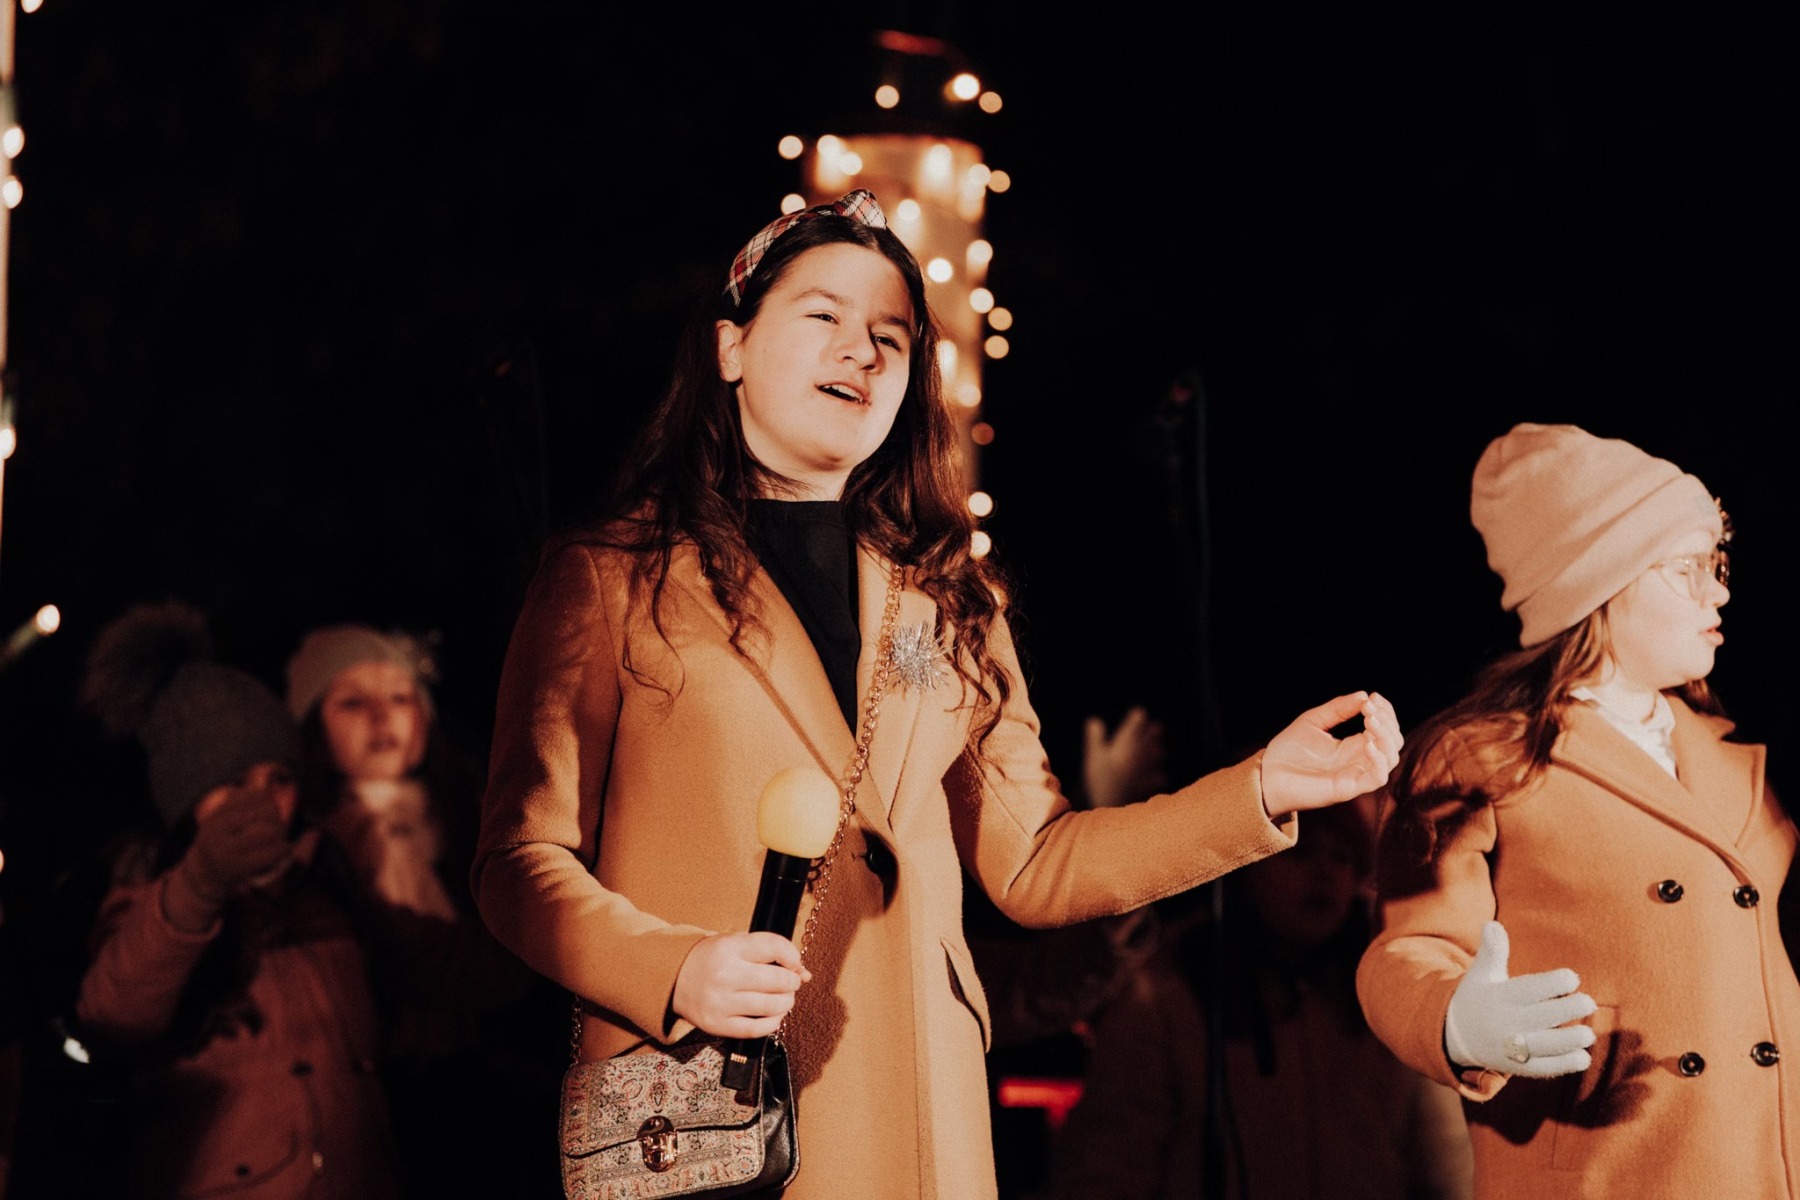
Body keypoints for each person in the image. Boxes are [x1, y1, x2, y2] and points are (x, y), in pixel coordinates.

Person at [471, 188, 1404, 1199]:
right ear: (730, 347)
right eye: (823, 315)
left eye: (891, 336)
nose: (862, 351)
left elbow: (1036, 862)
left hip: (924, 1116)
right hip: (718, 1115)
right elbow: (519, 860)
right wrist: (671, 969)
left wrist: (1261, 789)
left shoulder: (951, 597)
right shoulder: (611, 579)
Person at [1356, 422, 1800, 1198]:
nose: (1719, 591)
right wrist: (1457, 1020)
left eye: (1718, 565)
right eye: (1689, 569)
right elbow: (1409, 947)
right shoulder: (1482, 759)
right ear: (1601, 582)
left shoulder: (1738, 765)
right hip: (1607, 1172)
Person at [73, 601, 401, 1199]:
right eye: (234, 784)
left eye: (280, 779)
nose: (263, 801)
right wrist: (200, 882)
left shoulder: (329, 882)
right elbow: (112, 1013)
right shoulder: (151, 898)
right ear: (186, 798)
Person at [1052, 800, 1473, 1199]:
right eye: (1301, 852)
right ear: (1246, 865)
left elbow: (1446, 1162)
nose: (1324, 872)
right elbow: (1109, 1165)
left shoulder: (1384, 996)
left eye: (1342, 857)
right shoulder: (1168, 995)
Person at [284, 623, 562, 1198]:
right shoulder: (307, 856)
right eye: (352, 702)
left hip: (507, 1100)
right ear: (313, 725)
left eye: (399, 697)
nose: (381, 717)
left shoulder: (484, 821)